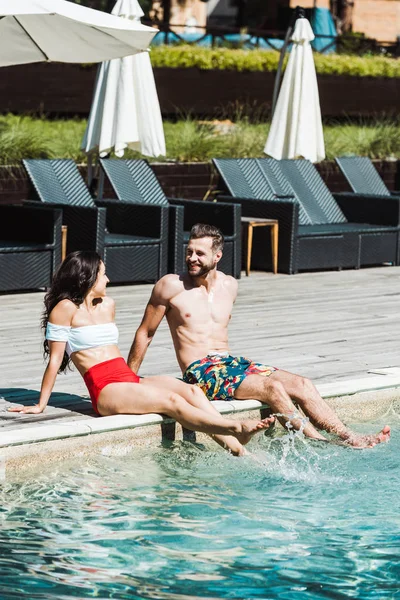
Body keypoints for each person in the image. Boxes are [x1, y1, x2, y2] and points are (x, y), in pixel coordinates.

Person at [128, 224, 391, 449]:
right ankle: (318, 444)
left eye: (200, 253)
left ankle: (348, 437)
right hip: (201, 371)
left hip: (231, 363)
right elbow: (145, 333)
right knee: (272, 388)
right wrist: (127, 382)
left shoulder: (230, 286)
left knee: (302, 384)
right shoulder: (170, 286)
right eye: (189, 252)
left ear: (217, 255)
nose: (192, 258)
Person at [8, 251, 275, 456]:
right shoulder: (64, 308)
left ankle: (238, 449)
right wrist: (41, 404)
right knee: (172, 402)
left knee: (192, 391)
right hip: (105, 388)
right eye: (103, 274)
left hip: (126, 377)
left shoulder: (108, 304)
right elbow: (55, 360)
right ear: (86, 277)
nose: (108, 280)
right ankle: (234, 428)